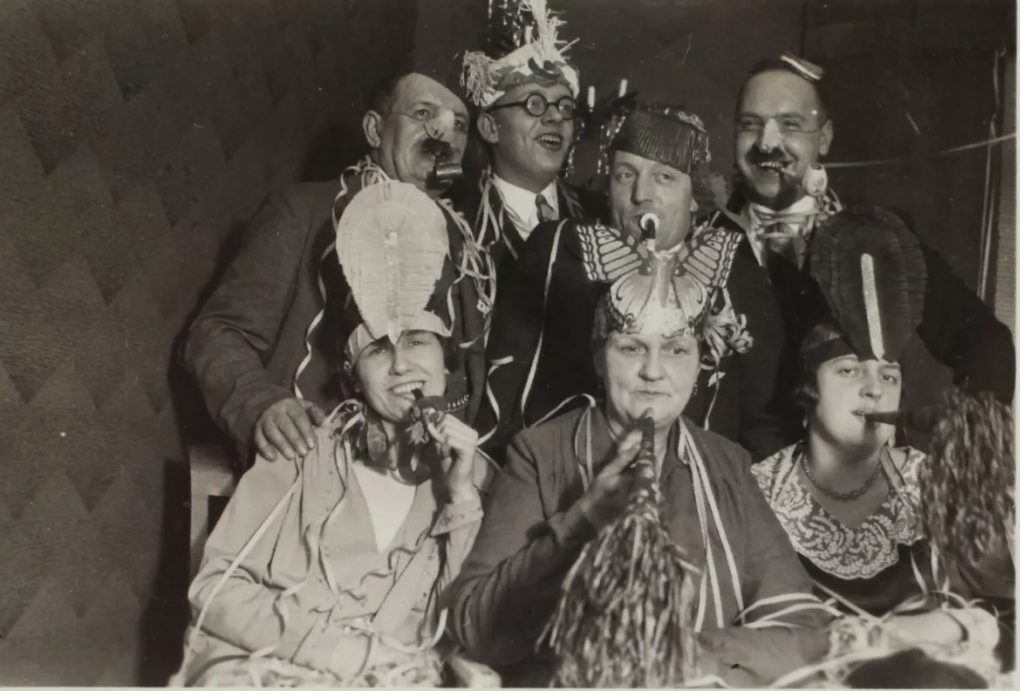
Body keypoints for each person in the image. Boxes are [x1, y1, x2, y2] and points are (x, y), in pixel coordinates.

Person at [449, 223, 831, 687]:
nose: (653, 371)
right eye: (631, 347)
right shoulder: (539, 454)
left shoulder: (727, 463)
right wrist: (585, 515)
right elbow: (477, 629)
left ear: (699, 363)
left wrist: (688, 659)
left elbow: (805, 633)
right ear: (598, 357)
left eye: (675, 350)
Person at [172, 182, 492, 686]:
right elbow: (216, 592)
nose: (403, 363)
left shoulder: (469, 480)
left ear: (445, 363)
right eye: (378, 351)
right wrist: (338, 655)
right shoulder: (302, 450)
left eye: (418, 342)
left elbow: (464, 630)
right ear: (352, 375)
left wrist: (461, 499)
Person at [751, 207, 1012, 686]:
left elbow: (1009, 626)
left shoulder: (936, 486)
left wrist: (910, 633)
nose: (874, 390)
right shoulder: (753, 495)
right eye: (848, 371)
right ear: (808, 392)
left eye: (888, 375)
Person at [184, 68, 493, 465]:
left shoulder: (470, 252)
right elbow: (216, 333)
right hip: (313, 471)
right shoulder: (303, 212)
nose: (443, 132)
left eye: (459, 125)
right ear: (374, 130)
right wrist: (261, 405)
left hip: (426, 487)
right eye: (423, 113)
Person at [707, 53, 1014, 437]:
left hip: (860, 483)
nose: (767, 144)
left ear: (825, 139)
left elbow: (987, 343)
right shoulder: (701, 243)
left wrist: (969, 447)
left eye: (790, 125)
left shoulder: (880, 238)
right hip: (732, 485)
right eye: (750, 125)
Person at [478, 102, 789, 459]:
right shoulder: (558, 253)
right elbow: (502, 394)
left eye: (665, 177)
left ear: (694, 199)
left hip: (692, 485)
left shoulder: (734, 272)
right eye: (625, 175)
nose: (641, 194)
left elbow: (765, 424)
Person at [460, 0, 605, 267]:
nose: (555, 117)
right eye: (534, 104)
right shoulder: (458, 224)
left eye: (565, 106)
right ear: (490, 127)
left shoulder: (601, 216)